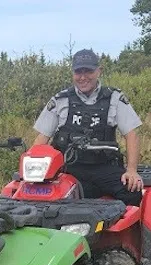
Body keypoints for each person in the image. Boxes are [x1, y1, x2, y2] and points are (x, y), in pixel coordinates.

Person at [32, 49, 144, 206]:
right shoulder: (60, 100)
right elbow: (41, 138)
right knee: (41, 198)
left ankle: (120, 231)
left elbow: (131, 134)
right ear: (73, 73)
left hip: (104, 167)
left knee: (132, 191)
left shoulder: (114, 98)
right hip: (69, 168)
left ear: (99, 71)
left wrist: (131, 170)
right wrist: (31, 171)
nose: (83, 77)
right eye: (78, 72)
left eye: (88, 71)